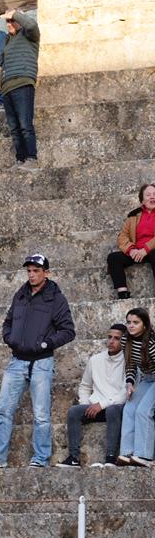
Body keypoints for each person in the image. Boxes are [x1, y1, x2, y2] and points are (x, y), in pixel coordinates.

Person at [0, 255, 76, 468]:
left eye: (36, 271)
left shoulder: (56, 298)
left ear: (46, 273)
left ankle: (40, 459)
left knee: (41, 415)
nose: (32, 275)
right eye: (29, 271)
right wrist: (10, 338)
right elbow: (8, 322)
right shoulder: (20, 294)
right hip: (17, 361)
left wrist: (45, 344)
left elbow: (68, 331)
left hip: (42, 362)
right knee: (2, 410)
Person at [61, 324, 129, 468]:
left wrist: (102, 405)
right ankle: (73, 458)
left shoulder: (128, 361)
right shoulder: (95, 360)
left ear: (124, 341)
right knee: (74, 411)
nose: (111, 341)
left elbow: (125, 392)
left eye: (117, 338)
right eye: (109, 337)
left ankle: (110, 458)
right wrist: (86, 404)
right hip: (96, 407)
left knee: (113, 410)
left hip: (118, 408)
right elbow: (85, 386)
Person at [0, 8, 39, 168]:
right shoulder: (7, 40)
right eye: (8, 21)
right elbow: (2, 63)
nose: (10, 24)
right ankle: (20, 160)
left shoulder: (30, 35)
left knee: (25, 124)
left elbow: (31, 25)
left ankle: (31, 159)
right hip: (7, 87)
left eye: (13, 20)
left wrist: (14, 14)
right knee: (14, 128)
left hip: (22, 83)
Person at [117, 308, 155, 467]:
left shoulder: (152, 342)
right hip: (146, 379)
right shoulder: (126, 340)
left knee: (143, 411)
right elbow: (130, 364)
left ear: (145, 325)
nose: (131, 326)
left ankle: (144, 456)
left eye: (136, 322)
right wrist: (130, 383)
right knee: (129, 409)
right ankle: (127, 452)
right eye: (129, 322)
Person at [109, 183, 155, 300]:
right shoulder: (133, 216)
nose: (152, 197)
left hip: (152, 250)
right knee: (114, 258)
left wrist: (146, 249)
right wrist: (132, 250)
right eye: (148, 195)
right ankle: (123, 293)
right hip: (136, 252)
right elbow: (122, 236)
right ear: (142, 200)